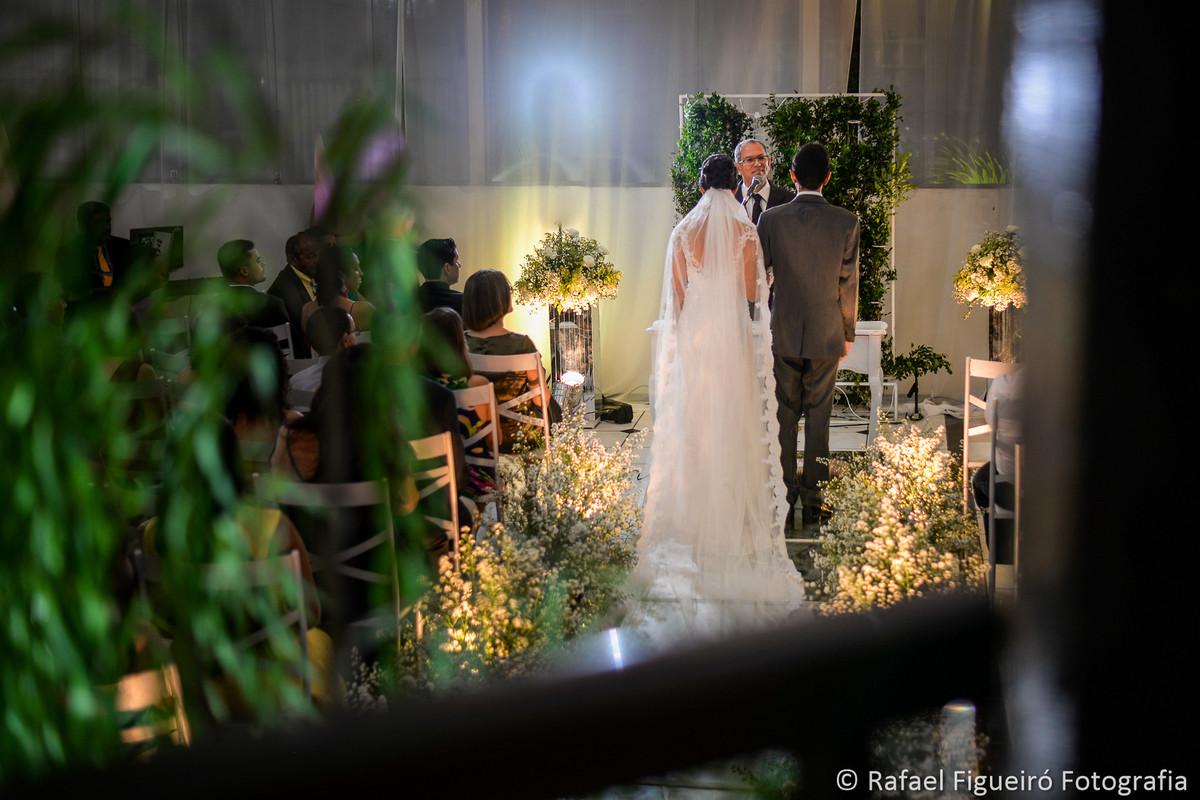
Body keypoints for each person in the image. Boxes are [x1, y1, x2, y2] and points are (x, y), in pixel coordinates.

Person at [635, 154, 805, 645]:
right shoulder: (746, 232)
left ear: (701, 185)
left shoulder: (682, 232)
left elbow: (676, 297)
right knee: (732, 420)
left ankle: (692, 518)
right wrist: (763, 280)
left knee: (696, 424)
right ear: (736, 186)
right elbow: (754, 292)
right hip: (729, 339)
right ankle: (730, 514)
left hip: (696, 339)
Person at [757, 142, 860, 526]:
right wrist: (846, 332)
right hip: (827, 332)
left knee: (783, 417)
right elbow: (848, 283)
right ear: (827, 178)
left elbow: (758, 278)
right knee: (820, 418)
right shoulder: (846, 222)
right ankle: (815, 501)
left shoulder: (771, 219)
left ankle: (783, 500)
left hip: (782, 330)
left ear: (792, 176)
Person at [462, 268, 549, 452]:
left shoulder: (459, 343)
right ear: (499, 299)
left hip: (475, 438)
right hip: (517, 437)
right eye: (508, 290)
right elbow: (542, 400)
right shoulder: (522, 345)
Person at [423, 307, 498, 498]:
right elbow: (494, 439)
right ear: (460, 343)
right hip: (476, 478)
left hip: (433, 483)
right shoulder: (479, 385)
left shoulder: (423, 389)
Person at [57, 200, 132, 308]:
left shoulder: (123, 246)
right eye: (99, 222)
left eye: (108, 222)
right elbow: (69, 294)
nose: (107, 227)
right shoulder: (68, 254)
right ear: (82, 227)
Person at [216, 238, 290, 331]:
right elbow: (293, 339)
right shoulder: (271, 305)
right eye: (258, 261)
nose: (263, 263)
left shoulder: (212, 308)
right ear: (244, 271)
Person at [301, 245, 375, 334]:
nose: (361, 273)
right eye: (356, 268)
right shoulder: (362, 310)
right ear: (342, 276)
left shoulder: (306, 310)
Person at [268, 233, 320, 357]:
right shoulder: (285, 288)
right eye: (311, 256)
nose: (318, 260)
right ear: (293, 260)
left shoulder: (308, 277)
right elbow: (308, 327)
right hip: (302, 356)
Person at [733, 139, 794, 224]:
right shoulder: (728, 202)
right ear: (738, 168)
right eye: (750, 160)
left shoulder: (790, 201)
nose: (757, 164)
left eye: (761, 158)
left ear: (769, 162)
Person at [416, 238, 463, 314]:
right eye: (456, 261)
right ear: (447, 267)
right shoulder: (463, 302)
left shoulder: (412, 301)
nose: (459, 265)